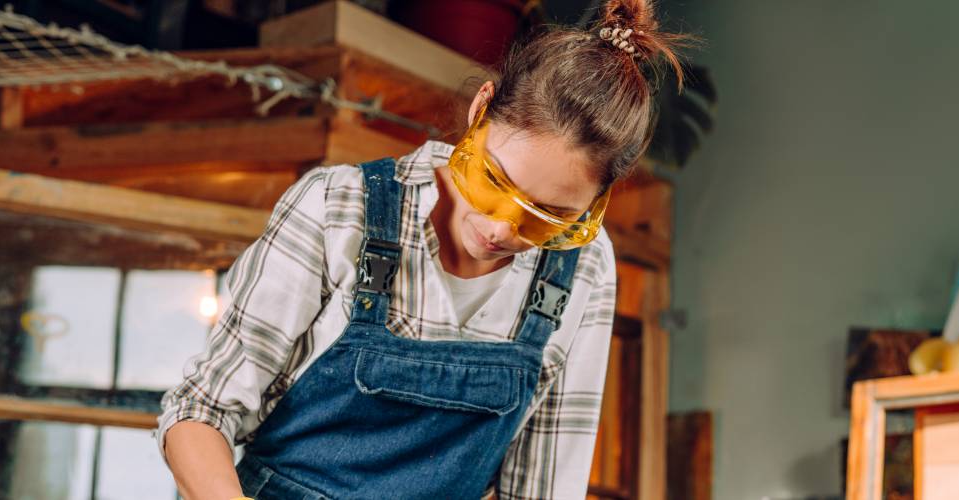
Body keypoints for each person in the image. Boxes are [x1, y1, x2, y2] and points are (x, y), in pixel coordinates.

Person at [155, 0, 687, 498]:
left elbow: (543, 486)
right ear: (482, 109)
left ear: (596, 203)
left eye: (545, 218)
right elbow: (200, 412)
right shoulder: (340, 207)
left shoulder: (584, 266)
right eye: (494, 183)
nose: (502, 229)